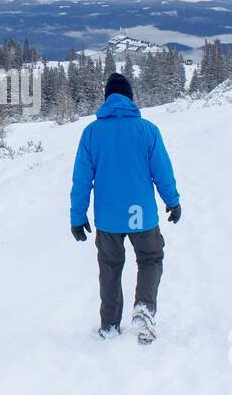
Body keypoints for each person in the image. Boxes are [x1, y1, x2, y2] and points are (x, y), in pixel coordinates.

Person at [69, 72, 181, 343]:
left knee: (109, 267)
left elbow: (82, 179)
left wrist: (77, 215)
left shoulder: (92, 133)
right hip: (142, 214)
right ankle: (144, 308)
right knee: (150, 258)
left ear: (106, 98)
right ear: (131, 98)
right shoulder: (148, 130)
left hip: (108, 218)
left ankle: (109, 325)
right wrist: (173, 201)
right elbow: (162, 172)